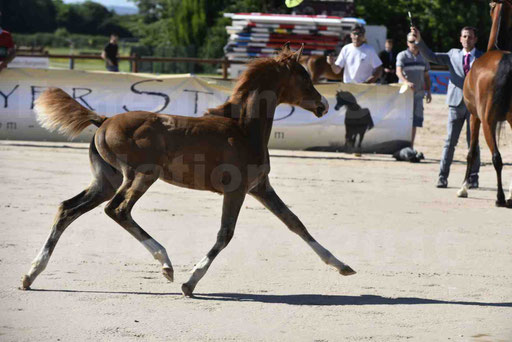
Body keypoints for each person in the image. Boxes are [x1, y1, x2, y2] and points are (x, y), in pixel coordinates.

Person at [411, 26, 482, 189]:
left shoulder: (483, 58)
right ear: (460, 39)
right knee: (450, 142)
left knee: (473, 143)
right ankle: (442, 176)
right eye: (464, 36)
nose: (467, 39)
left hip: (475, 106)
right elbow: (430, 56)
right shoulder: (452, 55)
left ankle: (473, 177)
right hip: (455, 104)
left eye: (470, 37)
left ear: (475, 39)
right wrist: (419, 40)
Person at [396, 32, 432, 148]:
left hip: (418, 95)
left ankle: (410, 146)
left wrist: (429, 91)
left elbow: (426, 76)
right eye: (411, 41)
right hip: (404, 95)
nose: (414, 44)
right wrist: (405, 82)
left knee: (414, 122)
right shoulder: (402, 55)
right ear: (407, 43)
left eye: (415, 41)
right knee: (402, 121)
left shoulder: (424, 57)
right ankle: (400, 146)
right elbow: (398, 72)